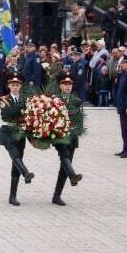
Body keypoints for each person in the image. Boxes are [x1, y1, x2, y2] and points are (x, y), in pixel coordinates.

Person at [0, 72, 34, 207]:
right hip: (7, 132)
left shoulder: (25, 99)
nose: (15, 87)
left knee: (16, 164)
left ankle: (12, 196)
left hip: (20, 133)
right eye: (12, 85)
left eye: (17, 85)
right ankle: (26, 173)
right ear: (8, 86)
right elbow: (9, 113)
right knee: (15, 155)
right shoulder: (3, 99)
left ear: (20, 86)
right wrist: (24, 108)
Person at [52, 71, 84, 206]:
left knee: (64, 165)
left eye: (70, 84)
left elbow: (80, 121)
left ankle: (57, 196)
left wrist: (73, 130)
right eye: (65, 84)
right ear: (60, 86)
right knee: (64, 156)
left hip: (72, 137)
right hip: (58, 136)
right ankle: (73, 176)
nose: (67, 86)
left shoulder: (76, 101)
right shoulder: (54, 100)